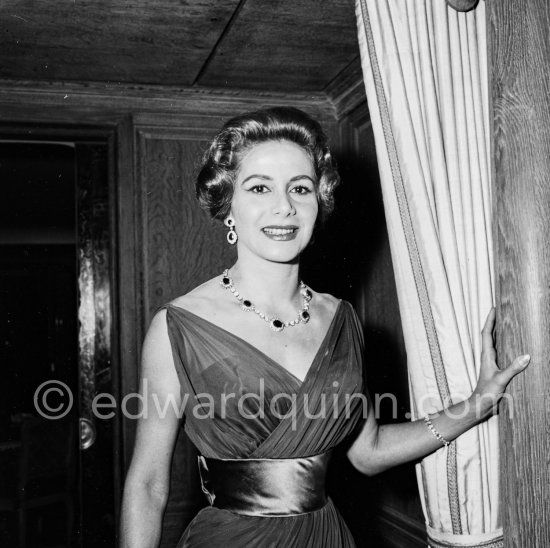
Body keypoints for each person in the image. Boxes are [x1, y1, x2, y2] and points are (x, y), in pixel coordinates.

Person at [120, 107, 529, 547]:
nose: (284, 207)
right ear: (228, 206)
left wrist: (477, 404)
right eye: (259, 187)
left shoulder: (342, 319)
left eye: (301, 188)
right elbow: (147, 484)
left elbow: (368, 452)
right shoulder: (178, 326)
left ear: (319, 204)